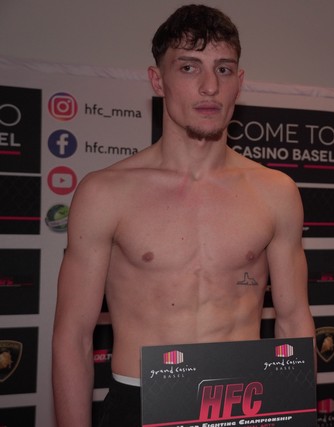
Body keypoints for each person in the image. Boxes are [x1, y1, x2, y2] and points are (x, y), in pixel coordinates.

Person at [51, 5, 316, 426]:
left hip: (244, 404)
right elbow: (73, 338)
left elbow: (294, 319)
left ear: (239, 82)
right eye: (189, 67)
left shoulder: (276, 192)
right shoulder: (105, 193)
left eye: (224, 69)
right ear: (158, 80)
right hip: (139, 402)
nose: (210, 86)